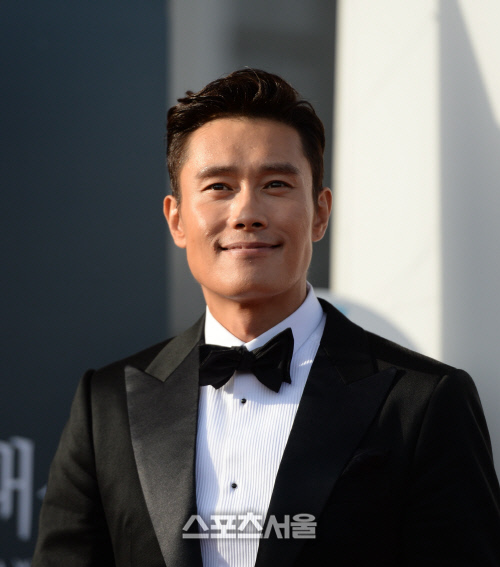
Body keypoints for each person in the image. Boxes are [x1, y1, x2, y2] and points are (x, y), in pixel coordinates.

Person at [32, 68, 500, 566]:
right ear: (176, 219)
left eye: (276, 184)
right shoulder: (107, 405)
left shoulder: (423, 400)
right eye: (219, 186)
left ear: (320, 213)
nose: (247, 212)